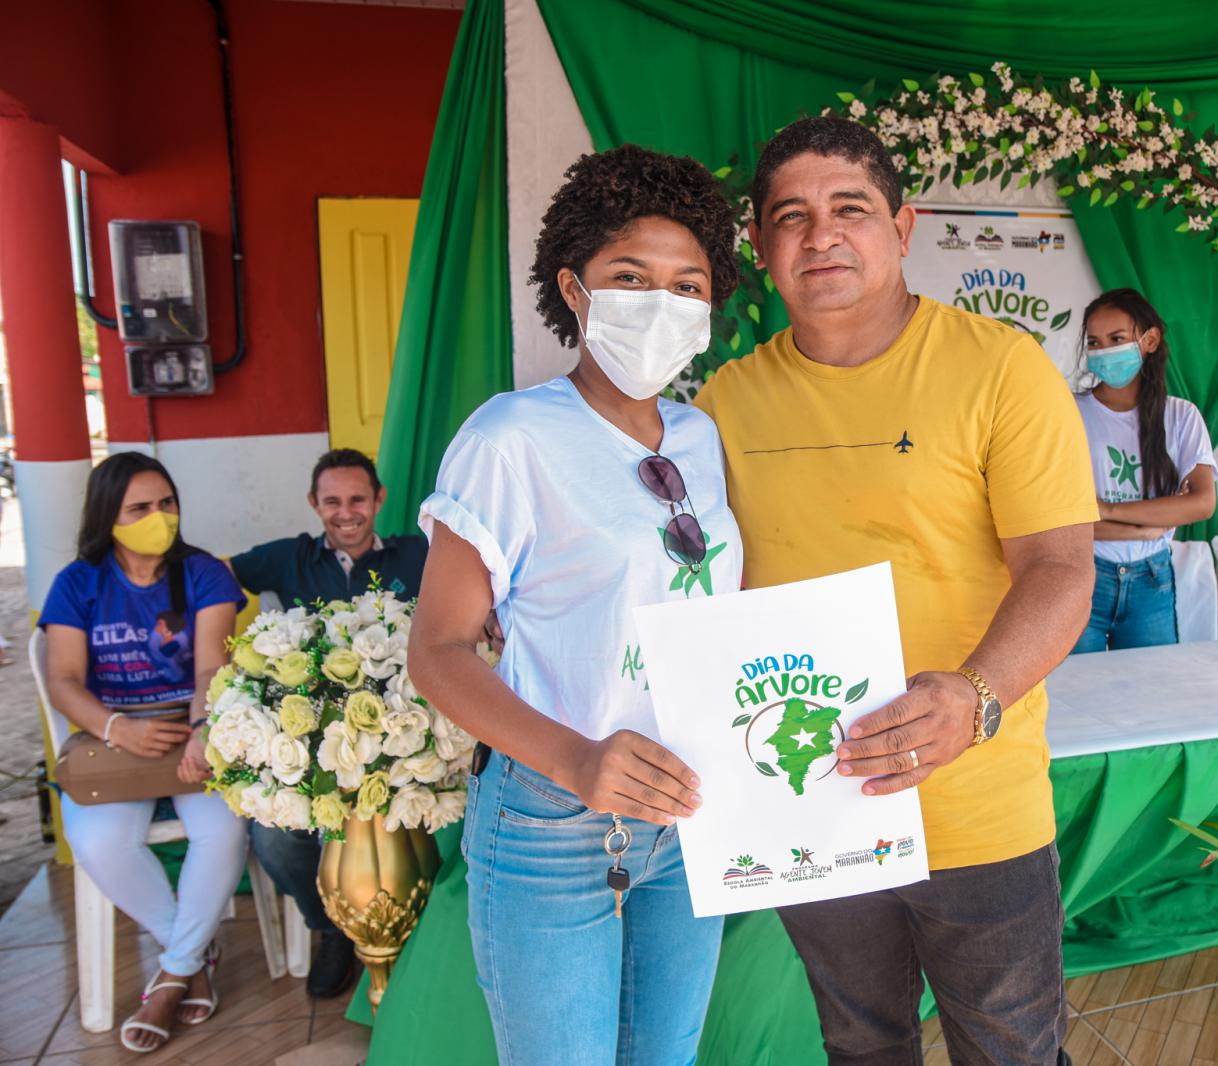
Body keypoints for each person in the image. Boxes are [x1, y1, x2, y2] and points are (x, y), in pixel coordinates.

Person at [695, 116, 1098, 1064]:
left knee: (1012, 1052)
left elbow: (1059, 567)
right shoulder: (721, 405)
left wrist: (977, 698)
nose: (820, 234)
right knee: (862, 1046)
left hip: (975, 804)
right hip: (808, 800)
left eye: (850, 209)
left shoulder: (1003, 371)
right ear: (758, 246)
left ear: (904, 227)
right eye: (789, 216)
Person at [406, 144, 744, 1066]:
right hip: (553, 816)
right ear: (575, 286)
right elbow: (435, 651)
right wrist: (578, 758)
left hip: (686, 803)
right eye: (631, 277)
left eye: (689, 284)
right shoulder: (511, 436)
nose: (663, 304)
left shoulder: (705, 436)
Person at [38, 453, 247, 1053]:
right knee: (100, 842)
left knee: (225, 832)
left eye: (167, 503)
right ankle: (190, 957)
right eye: (140, 508)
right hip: (117, 741)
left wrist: (204, 726)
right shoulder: (78, 583)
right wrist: (116, 727)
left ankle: (170, 978)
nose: (160, 517)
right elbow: (64, 681)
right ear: (109, 515)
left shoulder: (203, 573)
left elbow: (212, 664)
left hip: (191, 730)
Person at [225, 448, 427, 997]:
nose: (346, 513)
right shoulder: (289, 559)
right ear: (314, 504)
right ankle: (332, 928)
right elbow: (211, 576)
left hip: (400, 747)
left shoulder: (417, 555)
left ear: (379, 498)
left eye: (357, 499)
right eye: (332, 501)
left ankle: (411, 941)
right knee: (274, 843)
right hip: (307, 746)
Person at [1073, 288, 1216, 653]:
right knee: (1079, 694)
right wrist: (1148, 524)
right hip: (1081, 574)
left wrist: (1106, 510)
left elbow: (1201, 504)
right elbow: (1062, 519)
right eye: (1095, 342)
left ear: (1149, 339)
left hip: (1152, 580)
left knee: (1152, 694)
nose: (1104, 351)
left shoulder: (1181, 416)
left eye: (1117, 339)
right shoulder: (1066, 410)